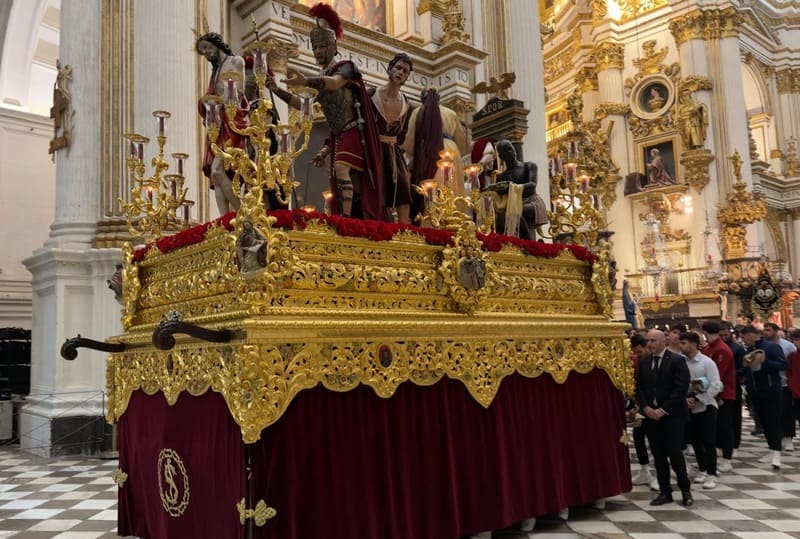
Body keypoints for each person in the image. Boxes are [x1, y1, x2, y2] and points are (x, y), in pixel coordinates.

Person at [270, 3, 384, 220]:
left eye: (322, 46)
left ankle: (346, 219)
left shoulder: (347, 67)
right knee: (355, 185)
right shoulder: (321, 79)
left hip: (354, 131)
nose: (318, 52)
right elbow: (301, 104)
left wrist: (308, 80)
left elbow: (334, 83)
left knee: (341, 169)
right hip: (338, 135)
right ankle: (355, 216)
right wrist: (277, 90)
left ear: (333, 45)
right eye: (315, 47)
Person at [637, 329, 693, 506]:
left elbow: (680, 389)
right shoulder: (644, 361)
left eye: (654, 340)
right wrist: (646, 407)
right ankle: (665, 491)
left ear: (664, 342)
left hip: (672, 416)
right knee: (658, 455)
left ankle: (685, 490)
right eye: (648, 340)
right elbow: (640, 387)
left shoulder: (677, 361)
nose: (650, 344)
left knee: (675, 454)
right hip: (652, 416)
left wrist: (663, 410)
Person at [196, 32, 249, 215]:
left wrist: (222, 102)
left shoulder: (236, 62)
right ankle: (226, 222)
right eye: (203, 52)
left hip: (232, 121)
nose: (207, 53)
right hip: (217, 124)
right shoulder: (215, 71)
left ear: (217, 45)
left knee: (219, 170)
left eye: (208, 48)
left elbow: (239, 90)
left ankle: (243, 216)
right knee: (215, 175)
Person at [403, 88, 469, 220]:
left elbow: (409, 143)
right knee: (452, 188)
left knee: (432, 186)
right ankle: (455, 218)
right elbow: (462, 143)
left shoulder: (418, 112)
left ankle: (432, 218)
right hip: (451, 150)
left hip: (429, 150)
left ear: (422, 99)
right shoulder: (451, 113)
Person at [368, 52, 415, 223]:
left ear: (407, 77)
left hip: (394, 152)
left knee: (403, 189)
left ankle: (404, 231)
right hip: (373, 149)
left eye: (405, 71)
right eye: (398, 68)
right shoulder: (372, 95)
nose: (401, 72)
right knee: (378, 190)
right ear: (390, 69)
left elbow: (402, 135)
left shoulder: (407, 105)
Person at [740, 325, 787, 469]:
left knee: (773, 420)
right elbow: (748, 370)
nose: (742, 340)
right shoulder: (748, 350)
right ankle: (772, 449)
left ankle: (777, 452)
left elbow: (783, 364)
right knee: (763, 422)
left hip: (771, 390)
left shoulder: (771, 347)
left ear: (752, 335)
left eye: (744, 337)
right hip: (755, 391)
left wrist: (764, 362)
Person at [680, 331, 722, 490]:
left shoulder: (707, 362)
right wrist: (686, 399)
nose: (681, 346)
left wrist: (698, 399)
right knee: (695, 440)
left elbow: (716, 385)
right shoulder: (681, 362)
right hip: (689, 406)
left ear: (693, 344)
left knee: (708, 441)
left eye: (684, 343)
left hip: (707, 406)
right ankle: (702, 469)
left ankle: (711, 474)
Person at [480, 140, 547, 239]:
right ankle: (505, 243)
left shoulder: (528, 166)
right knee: (498, 216)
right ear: (501, 156)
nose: (511, 151)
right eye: (506, 150)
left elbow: (532, 184)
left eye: (511, 148)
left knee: (514, 212)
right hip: (511, 204)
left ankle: (528, 244)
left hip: (531, 202)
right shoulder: (502, 176)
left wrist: (510, 186)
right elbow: (498, 194)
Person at [702, 321, 737, 472]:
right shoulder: (709, 348)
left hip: (723, 393)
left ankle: (727, 458)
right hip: (710, 393)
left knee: (725, 426)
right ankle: (717, 453)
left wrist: (715, 393)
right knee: (714, 427)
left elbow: (718, 374)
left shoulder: (722, 349)